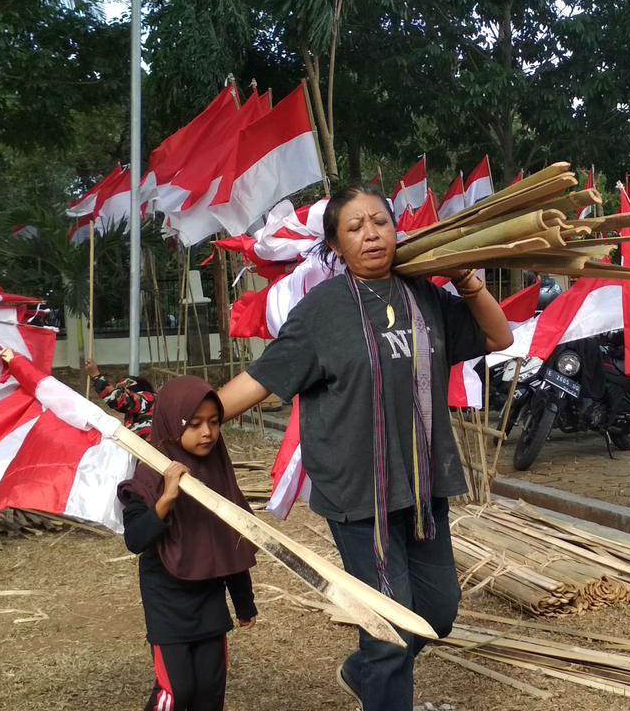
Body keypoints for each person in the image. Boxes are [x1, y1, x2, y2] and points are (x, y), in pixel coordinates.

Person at [215, 185, 514, 710]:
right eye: (354, 227)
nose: (371, 234)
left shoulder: (423, 294)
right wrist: (201, 416)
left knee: (437, 614)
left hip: (422, 485)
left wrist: (465, 277)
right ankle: (379, 675)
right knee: (391, 628)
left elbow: (499, 336)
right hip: (359, 492)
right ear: (335, 244)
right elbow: (263, 378)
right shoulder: (321, 312)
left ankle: (362, 670)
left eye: (380, 221)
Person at [118, 376, 258, 711]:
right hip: (168, 600)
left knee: (210, 691)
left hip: (209, 598)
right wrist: (166, 499)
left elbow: (231, 542)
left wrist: (243, 602)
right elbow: (135, 539)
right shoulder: (150, 474)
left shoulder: (218, 472)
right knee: (176, 690)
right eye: (194, 424)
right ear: (171, 423)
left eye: (214, 422)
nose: (207, 432)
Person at [84, 359, 155, 440]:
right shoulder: (139, 408)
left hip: (151, 447)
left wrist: (96, 376)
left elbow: (119, 399)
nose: (123, 390)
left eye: (125, 389)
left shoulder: (148, 397)